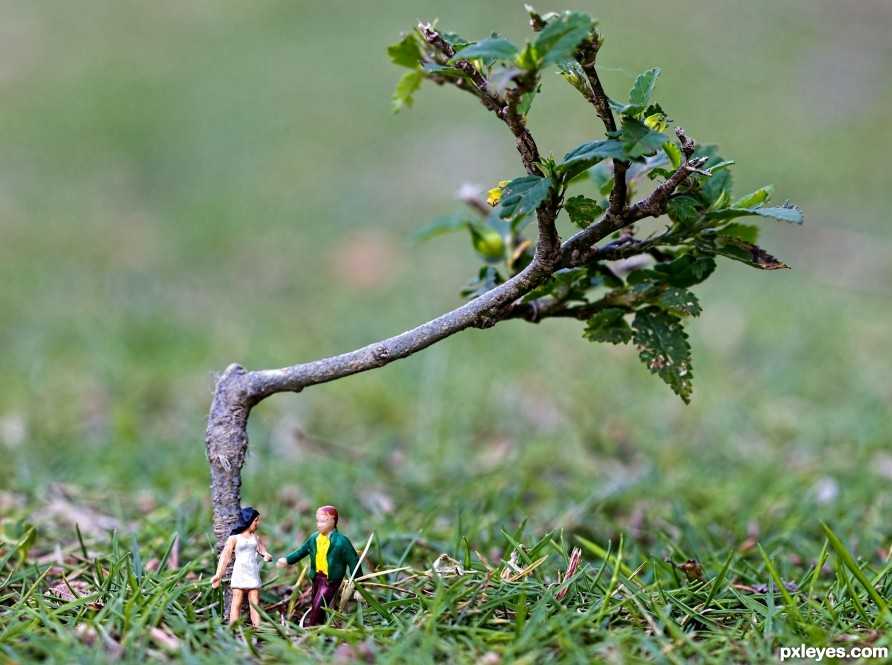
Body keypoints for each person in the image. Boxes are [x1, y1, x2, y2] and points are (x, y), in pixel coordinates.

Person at [277, 505, 360, 626]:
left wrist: (358, 587)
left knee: (318, 604)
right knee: (316, 601)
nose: (320, 524)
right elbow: (301, 551)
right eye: (318, 521)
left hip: (331, 579)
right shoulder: (314, 538)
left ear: (334, 521)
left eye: (324, 521)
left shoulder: (342, 542)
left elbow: (354, 562)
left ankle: (313, 627)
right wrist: (287, 560)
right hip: (316, 577)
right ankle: (323, 624)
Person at [211, 507, 273, 627]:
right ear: (248, 520)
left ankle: (257, 627)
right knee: (237, 600)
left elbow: (262, 550)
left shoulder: (256, 538)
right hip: (240, 571)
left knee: (255, 601)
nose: (257, 523)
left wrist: (267, 555)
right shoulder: (234, 538)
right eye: (255, 520)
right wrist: (218, 575)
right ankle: (234, 627)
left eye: (258, 520)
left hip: (252, 571)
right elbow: (225, 556)